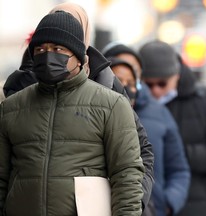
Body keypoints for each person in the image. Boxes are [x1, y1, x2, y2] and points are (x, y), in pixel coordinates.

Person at [2, 3, 154, 210]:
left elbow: (127, 173)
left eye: (58, 49)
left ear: (78, 55)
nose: (48, 56)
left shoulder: (112, 103)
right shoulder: (12, 107)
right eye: (40, 49)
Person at [139, 40, 206, 216]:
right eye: (148, 84)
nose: (156, 91)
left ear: (177, 75)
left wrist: (180, 154)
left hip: (200, 205)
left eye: (162, 83)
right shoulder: (132, 104)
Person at [108, 55, 191, 216]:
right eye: (118, 79)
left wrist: (168, 202)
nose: (124, 86)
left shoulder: (159, 114)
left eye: (131, 80)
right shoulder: (94, 111)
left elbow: (179, 169)